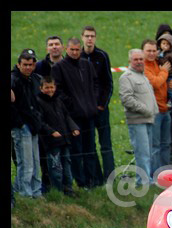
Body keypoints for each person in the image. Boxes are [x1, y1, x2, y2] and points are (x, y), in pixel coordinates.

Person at [51, 37, 101, 189]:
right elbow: (57, 91)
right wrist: (71, 105)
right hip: (73, 117)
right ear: (66, 49)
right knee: (76, 150)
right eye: (71, 50)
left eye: (77, 50)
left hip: (89, 114)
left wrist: (93, 101)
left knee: (90, 148)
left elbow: (96, 84)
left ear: (80, 49)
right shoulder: (59, 67)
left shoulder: (86, 64)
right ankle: (81, 181)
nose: (74, 52)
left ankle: (92, 181)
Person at [119, 49, 158, 186]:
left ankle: (147, 179)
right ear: (130, 61)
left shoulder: (143, 77)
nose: (139, 62)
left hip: (148, 119)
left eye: (141, 59)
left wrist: (152, 111)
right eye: (136, 59)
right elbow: (127, 99)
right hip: (137, 121)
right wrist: (145, 110)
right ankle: (143, 181)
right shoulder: (126, 77)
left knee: (148, 152)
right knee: (142, 153)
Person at [81, 25, 114, 185]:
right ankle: (95, 178)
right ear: (82, 37)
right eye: (87, 36)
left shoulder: (102, 56)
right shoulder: (77, 56)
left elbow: (108, 83)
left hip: (101, 108)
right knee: (90, 145)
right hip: (86, 110)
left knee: (106, 144)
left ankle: (110, 177)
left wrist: (102, 104)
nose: (89, 39)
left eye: (92, 36)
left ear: (95, 38)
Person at [36, 76, 79, 196]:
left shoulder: (58, 100)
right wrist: (51, 131)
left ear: (55, 87)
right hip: (51, 142)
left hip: (65, 139)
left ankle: (68, 188)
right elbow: (40, 121)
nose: (50, 90)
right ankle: (58, 190)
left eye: (52, 87)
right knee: (55, 167)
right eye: (47, 87)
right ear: (41, 88)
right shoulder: (39, 101)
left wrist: (73, 127)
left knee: (67, 164)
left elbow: (66, 116)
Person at [11, 49, 43, 198]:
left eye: (30, 64)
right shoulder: (14, 79)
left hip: (33, 125)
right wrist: (20, 123)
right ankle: (25, 193)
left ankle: (36, 192)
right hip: (20, 126)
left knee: (36, 162)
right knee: (26, 162)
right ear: (18, 65)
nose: (28, 67)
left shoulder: (35, 79)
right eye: (25, 65)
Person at [142, 39, 172, 177]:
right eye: (148, 51)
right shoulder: (144, 67)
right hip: (155, 112)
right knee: (155, 146)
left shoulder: (156, 64)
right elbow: (155, 82)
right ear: (143, 51)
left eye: (154, 51)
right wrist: (164, 72)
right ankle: (155, 175)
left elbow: (162, 83)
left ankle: (165, 173)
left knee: (166, 144)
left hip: (165, 109)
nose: (152, 53)